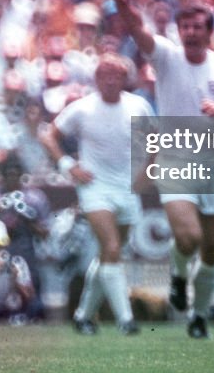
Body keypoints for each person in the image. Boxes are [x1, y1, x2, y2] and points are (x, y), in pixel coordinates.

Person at [96, 0, 214, 339]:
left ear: (209, 32)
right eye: (184, 26)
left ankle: (200, 315)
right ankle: (177, 274)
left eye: (196, 27)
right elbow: (136, 27)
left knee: (211, 252)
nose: (189, 32)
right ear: (178, 30)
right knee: (188, 238)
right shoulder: (166, 56)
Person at [40, 53, 154, 335]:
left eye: (117, 75)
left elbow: (155, 142)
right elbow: (49, 136)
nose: (111, 80)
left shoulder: (138, 105)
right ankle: (125, 320)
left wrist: (146, 173)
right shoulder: (82, 108)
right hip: (94, 187)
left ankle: (83, 315)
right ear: (97, 79)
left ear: (125, 79)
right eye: (105, 75)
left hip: (126, 188)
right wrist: (68, 164)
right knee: (112, 248)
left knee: (110, 254)